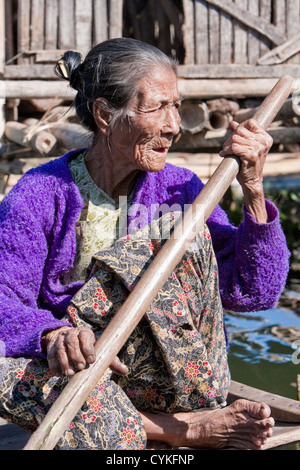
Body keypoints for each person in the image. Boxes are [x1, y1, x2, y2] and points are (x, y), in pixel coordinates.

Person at [0, 38, 290, 450]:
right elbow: (4, 299)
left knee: (171, 233)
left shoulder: (182, 190)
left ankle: (169, 417)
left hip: (179, 378)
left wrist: (255, 190)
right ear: (104, 114)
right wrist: (51, 335)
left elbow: (254, 291)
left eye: (176, 105)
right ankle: (180, 429)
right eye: (158, 107)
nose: (174, 124)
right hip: (90, 381)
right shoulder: (40, 193)